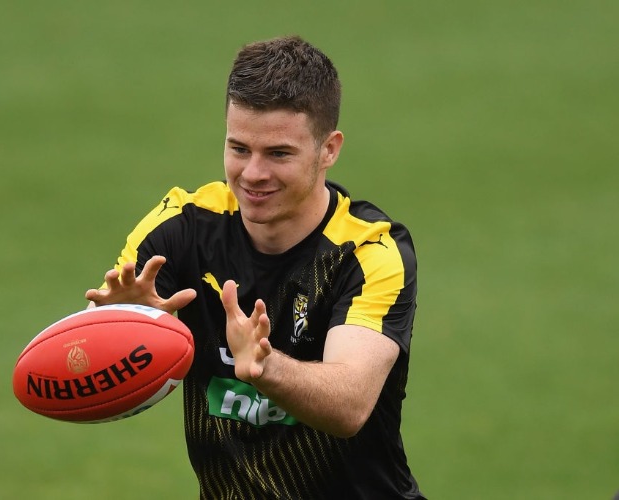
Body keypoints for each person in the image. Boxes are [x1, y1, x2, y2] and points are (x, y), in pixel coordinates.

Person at [86, 35, 424, 499]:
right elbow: (96, 357)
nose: (252, 174)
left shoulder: (367, 252)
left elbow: (349, 404)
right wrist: (123, 327)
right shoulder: (180, 226)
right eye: (239, 148)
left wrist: (264, 368)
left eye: (279, 154)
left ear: (329, 149)